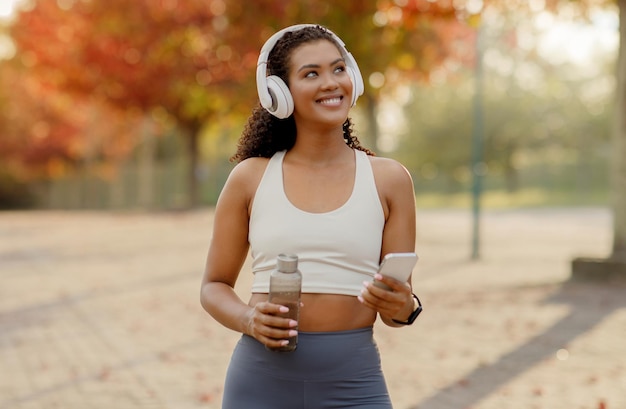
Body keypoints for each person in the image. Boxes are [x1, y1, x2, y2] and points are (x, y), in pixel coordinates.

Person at [200, 24, 421, 409]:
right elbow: (213, 286)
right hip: (261, 381)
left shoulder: (390, 179)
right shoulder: (250, 178)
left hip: (355, 381)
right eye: (311, 74)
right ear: (279, 94)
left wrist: (404, 307)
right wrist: (248, 319)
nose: (330, 83)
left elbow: (396, 310)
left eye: (338, 69)